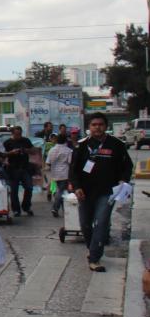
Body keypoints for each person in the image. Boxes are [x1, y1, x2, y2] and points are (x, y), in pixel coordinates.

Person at [69, 113, 134, 272]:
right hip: (85, 192)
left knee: (101, 223)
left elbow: (127, 166)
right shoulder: (81, 145)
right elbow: (73, 170)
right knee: (85, 224)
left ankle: (95, 258)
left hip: (107, 192)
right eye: (94, 124)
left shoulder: (116, 145)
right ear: (89, 127)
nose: (97, 127)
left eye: (100, 124)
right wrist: (77, 187)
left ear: (106, 126)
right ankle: (92, 248)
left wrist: (122, 180)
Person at [4, 126, 35, 217]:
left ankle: (26, 206)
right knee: (14, 190)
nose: (19, 136)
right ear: (12, 134)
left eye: (20, 134)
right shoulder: (7, 143)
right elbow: (2, 154)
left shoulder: (25, 141)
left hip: (25, 168)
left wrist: (25, 150)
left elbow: (33, 151)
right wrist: (12, 153)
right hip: (13, 168)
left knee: (29, 187)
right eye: (17, 134)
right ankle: (16, 209)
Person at [45, 134, 73, 217]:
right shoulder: (68, 151)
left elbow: (48, 163)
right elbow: (70, 162)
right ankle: (55, 208)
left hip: (54, 174)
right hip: (65, 173)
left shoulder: (52, 150)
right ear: (65, 141)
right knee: (61, 191)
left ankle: (63, 209)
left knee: (60, 190)